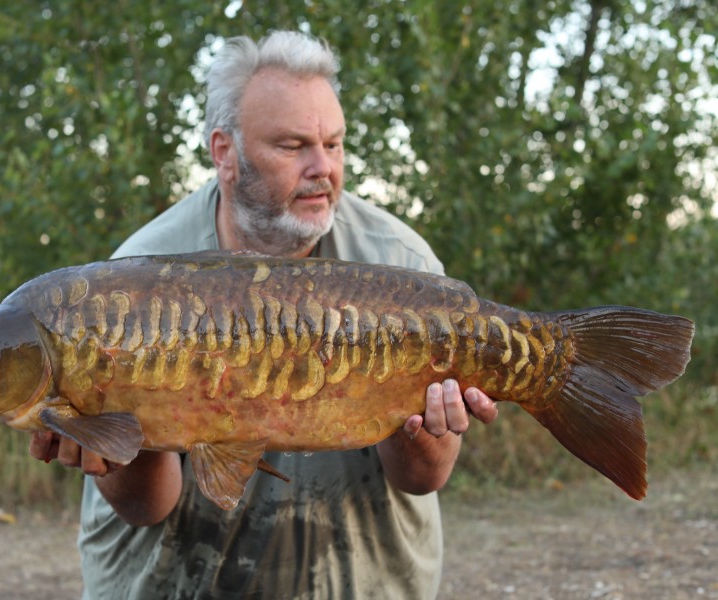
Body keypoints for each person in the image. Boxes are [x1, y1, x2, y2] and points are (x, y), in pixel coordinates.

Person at [30, 30, 498, 599]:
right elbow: (147, 507)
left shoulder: (402, 268)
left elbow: (424, 478)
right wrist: (111, 447)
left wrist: (424, 423)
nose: (322, 167)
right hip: (175, 582)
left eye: (334, 143)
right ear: (225, 152)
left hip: (355, 580)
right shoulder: (132, 285)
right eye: (293, 145)